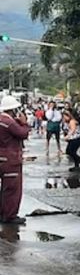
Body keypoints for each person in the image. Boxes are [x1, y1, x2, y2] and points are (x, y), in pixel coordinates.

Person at [0, 95, 30, 225]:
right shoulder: (9, 122)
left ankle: (2, 213)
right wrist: (24, 123)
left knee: (3, 189)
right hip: (10, 160)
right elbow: (23, 134)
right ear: (12, 110)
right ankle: (10, 216)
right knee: (12, 189)